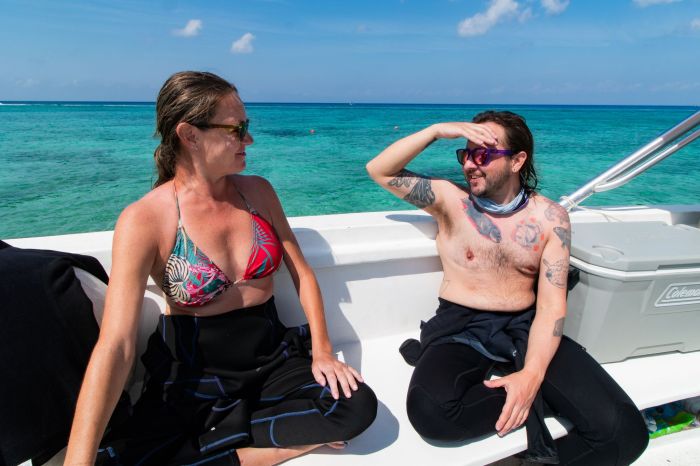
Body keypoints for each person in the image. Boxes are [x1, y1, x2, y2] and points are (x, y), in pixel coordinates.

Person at [65, 71, 377, 466]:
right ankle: (282, 445)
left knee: (356, 406)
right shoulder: (145, 219)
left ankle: (216, 444)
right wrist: (79, 459)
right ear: (189, 134)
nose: (249, 139)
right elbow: (117, 345)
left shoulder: (258, 192)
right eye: (237, 128)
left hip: (271, 357)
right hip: (196, 374)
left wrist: (323, 352)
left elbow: (303, 273)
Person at [366, 111, 648, 464]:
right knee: (431, 413)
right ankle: (539, 400)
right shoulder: (450, 202)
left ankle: (531, 397)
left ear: (517, 160)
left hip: (525, 327)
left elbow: (551, 308)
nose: (470, 164)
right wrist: (438, 130)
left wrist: (530, 375)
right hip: (460, 329)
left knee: (626, 433)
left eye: (483, 154)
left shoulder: (550, 219)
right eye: (465, 154)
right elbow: (379, 170)